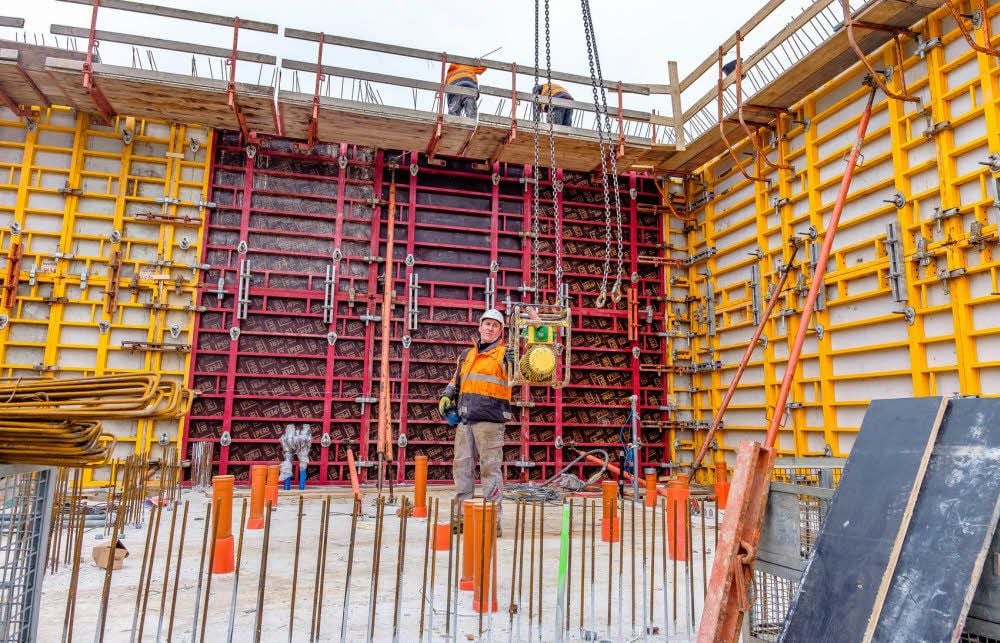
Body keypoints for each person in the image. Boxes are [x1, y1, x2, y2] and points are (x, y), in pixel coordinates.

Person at [439, 308, 511, 530]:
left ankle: (492, 522)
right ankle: (462, 519)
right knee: (462, 469)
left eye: (495, 325)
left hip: (490, 422)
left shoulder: (504, 355)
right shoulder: (466, 355)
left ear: (500, 331)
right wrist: (446, 395)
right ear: (480, 327)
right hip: (465, 420)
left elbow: (520, 371)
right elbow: (456, 381)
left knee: (490, 471)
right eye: (486, 324)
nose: (489, 328)